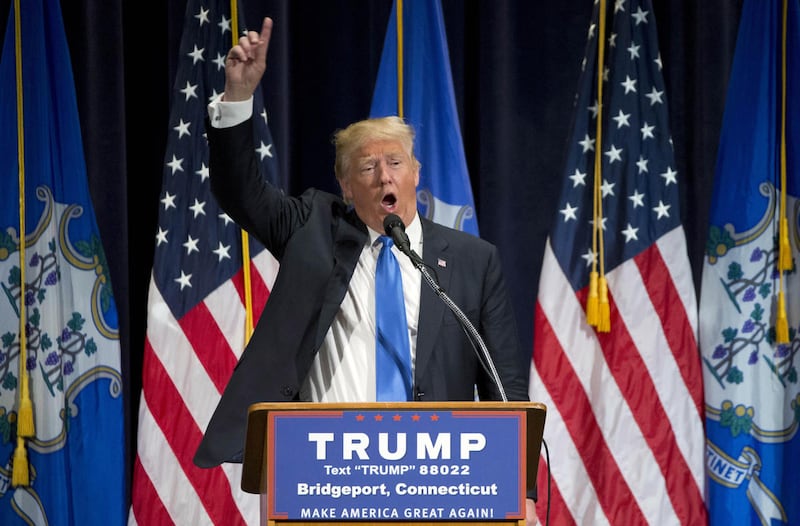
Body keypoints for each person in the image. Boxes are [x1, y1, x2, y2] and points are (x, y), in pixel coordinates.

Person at [193, 16, 537, 523]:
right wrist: (238, 97)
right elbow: (241, 192)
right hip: (326, 479)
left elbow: (504, 383)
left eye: (395, 162)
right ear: (347, 186)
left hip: (439, 482)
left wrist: (520, 489)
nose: (384, 176)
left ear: (416, 174)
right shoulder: (312, 227)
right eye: (367, 167)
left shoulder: (472, 259)